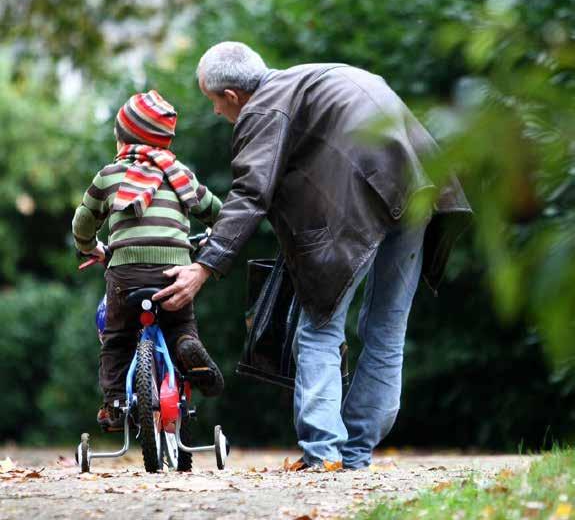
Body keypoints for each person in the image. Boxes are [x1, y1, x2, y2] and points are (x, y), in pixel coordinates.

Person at [153, 43, 472, 468]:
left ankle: (323, 453)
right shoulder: (315, 78)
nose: (216, 113)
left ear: (231, 96)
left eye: (214, 103)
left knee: (319, 328)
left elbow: (251, 193)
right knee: (386, 331)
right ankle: (355, 455)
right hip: (420, 190)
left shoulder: (264, 107)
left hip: (366, 202)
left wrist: (204, 267)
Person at [72, 90, 224, 432]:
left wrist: (90, 247)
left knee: (117, 338)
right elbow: (218, 213)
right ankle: (186, 344)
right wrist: (213, 239)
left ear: (122, 138)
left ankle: (113, 404)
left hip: (125, 272)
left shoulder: (110, 174)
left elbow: (82, 221)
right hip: (174, 271)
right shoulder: (181, 174)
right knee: (180, 324)